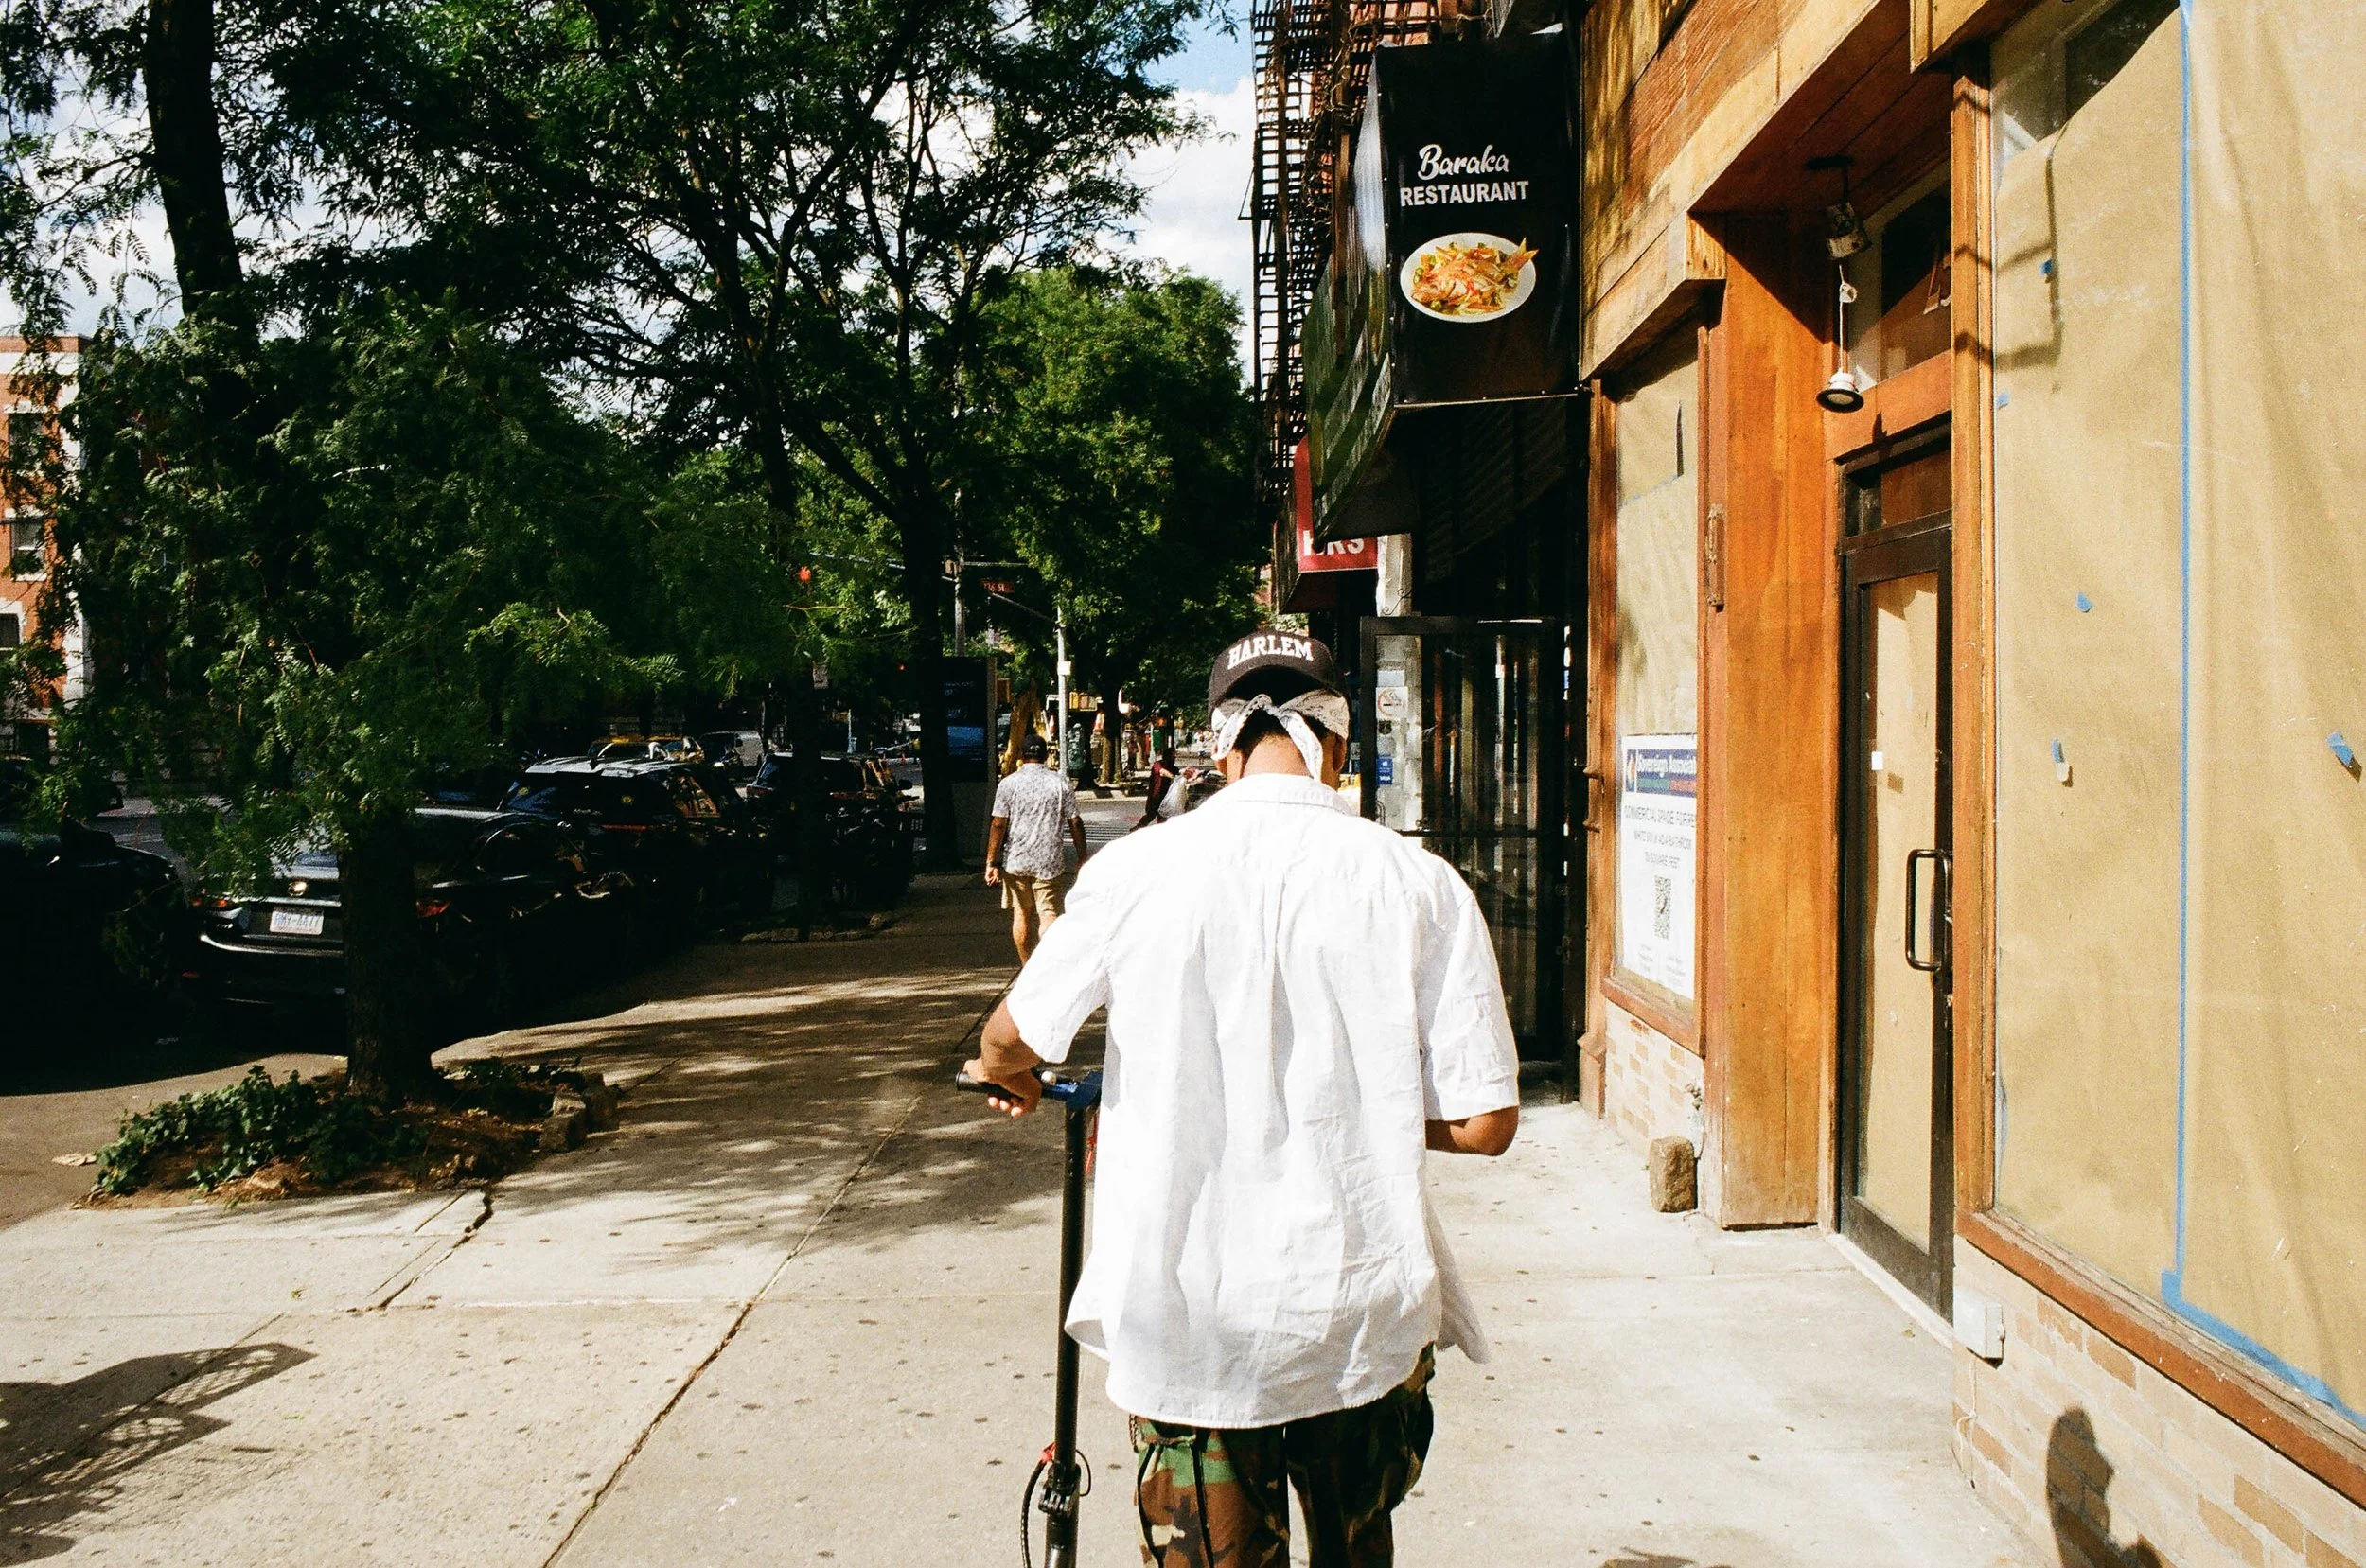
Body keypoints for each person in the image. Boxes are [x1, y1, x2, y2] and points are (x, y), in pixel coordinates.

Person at [963, 629, 1520, 1568]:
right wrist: (1363, 1109)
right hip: (1356, 1315)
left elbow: (1009, 1037)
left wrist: (1013, 1076)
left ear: (1219, 751)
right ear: (1337, 750)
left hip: (1191, 1321)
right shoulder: (1418, 882)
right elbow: (1484, 1121)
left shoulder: (1136, 873)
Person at [984, 732, 1086, 963]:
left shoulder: (1008, 784)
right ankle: (1046, 968)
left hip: (1016, 861)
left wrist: (992, 861)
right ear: (1046, 755)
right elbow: (1075, 822)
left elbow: (998, 823)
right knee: (1048, 913)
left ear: (1021, 755)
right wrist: (1082, 857)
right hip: (1049, 860)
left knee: (1021, 914)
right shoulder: (1060, 783)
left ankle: (1026, 968)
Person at [1136, 744, 1184, 828]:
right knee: (1150, 815)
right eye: (1173, 756)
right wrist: (1173, 777)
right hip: (1155, 795)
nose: (1175, 758)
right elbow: (1162, 772)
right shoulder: (1158, 764)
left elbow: (1180, 772)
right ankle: (1136, 829)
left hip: (1165, 796)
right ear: (1168, 756)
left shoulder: (1170, 766)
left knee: (1163, 816)